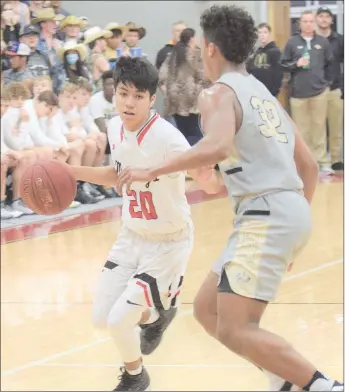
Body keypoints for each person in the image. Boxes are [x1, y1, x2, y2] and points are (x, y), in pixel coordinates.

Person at [116, 5, 344, 392]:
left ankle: (324, 386)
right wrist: (290, 229)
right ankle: (283, 382)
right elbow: (306, 165)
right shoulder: (264, 94)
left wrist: (153, 169)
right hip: (283, 212)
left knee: (237, 328)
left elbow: (217, 146)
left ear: (209, 48)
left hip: (266, 215)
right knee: (208, 310)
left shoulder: (217, 94)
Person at [69, 56, 217, 391]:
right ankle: (157, 315)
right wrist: (69, 172)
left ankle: (136, 377)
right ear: (114, 95)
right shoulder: (113, 127)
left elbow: (205, 180)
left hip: (169, 242)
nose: (129, 102)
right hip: (131, 235)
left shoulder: (168, 138)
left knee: (121, 319)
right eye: (123, 94)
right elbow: (115, 175)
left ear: (153, 99)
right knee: (102, 319)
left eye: (138, 96)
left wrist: (208, 176)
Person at [281, 10, 334, 174]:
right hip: (298, 94)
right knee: (302, 132)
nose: (309, 24)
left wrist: (327, 84)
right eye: (305, 21)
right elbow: (283, 64)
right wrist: (296, 63)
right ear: (300, 23)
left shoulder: (323, 42)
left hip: (319, 93)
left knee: (319, 129)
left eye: (311, 21)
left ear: (315, 23)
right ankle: (305, 164)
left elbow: (330, 64)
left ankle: (323, 163)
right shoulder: (292, 42)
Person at [159, 27, 207, 147]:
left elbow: (162, 75)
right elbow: (203, 76)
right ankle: (194, 158)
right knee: (195, 132)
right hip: (191, 100)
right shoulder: (196, 54)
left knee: (182, 132)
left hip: (174, 101)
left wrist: (168, 91)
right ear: (191, 39)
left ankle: (184, 157)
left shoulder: (172, 54)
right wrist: (199, 90)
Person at [316, 6, 344, 171]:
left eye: (327, 16)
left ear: (331, 20)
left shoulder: (340, 40)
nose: (324, 19)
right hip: (315, 90)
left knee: (336, 127)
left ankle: (335, 159)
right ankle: (320, 160)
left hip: (334, 89)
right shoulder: (310, 40)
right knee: (317, 128)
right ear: (316, 19)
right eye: (321, 16)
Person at [246, 22, 283, 97]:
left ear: (269, 34)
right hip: (255, 93)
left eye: (265, 32)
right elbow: (248, 70)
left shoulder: (275, 52)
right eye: (260, 32)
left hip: (269, 93)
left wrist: (274, 92)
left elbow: (278, 74)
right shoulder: (256, 52)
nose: (262, 35)